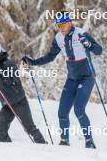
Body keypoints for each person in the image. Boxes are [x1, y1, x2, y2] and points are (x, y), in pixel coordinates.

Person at [22, 13, 102, 149]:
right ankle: (64, 141)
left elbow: (98, 50)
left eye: (63, 24)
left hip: (87, 77)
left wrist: (88, 44)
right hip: (72, 78)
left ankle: (89, 141)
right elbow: (50, 57)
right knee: (62, 112)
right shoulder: (59, 37)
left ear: (69, 23)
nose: (61, 28)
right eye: (59, 26)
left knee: (79, 110)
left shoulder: (81, 33)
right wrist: (32, 62)